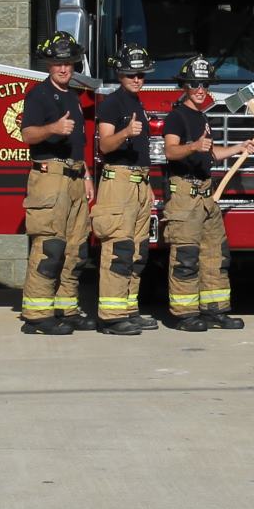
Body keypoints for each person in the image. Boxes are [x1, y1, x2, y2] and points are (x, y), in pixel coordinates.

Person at [159, 56, 254, 332]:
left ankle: (215, 310)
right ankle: (185, 315)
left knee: (216, 255)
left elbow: (210, 154)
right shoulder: (176, 116)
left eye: (205, 84)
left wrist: (239, 147)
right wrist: (193, 146)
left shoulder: (202, 117)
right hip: (185, 195)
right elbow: (170, 151)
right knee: (186, 257)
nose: (200, 89)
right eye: (194, 84)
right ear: (185, 86)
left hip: (206, 196)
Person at [17, 33, 90, 335]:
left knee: (76, 250)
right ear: (49, 65)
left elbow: (77, 145)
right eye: (58, 63)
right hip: (50, 178)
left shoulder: (72, 96)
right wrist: (53, 128)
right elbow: (27, 134)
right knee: (50, 248)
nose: (63, 68)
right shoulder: (39, 95)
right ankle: (37, 316)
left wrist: (86, 176)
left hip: (74, 178)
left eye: (68, 63)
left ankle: (65, 309)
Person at [90, 43, 156, 336]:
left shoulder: (137, 103)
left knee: (138, 252)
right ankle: (111, 317)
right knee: (119, 249)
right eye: (131, 74)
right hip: (118, 183)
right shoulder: (111, 104)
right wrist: (126, 132)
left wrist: (147, 185)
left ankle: (128, 310)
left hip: (139, 183)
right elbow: (104, 145)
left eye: (141, 74)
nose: (137, 79)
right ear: (120, 74)